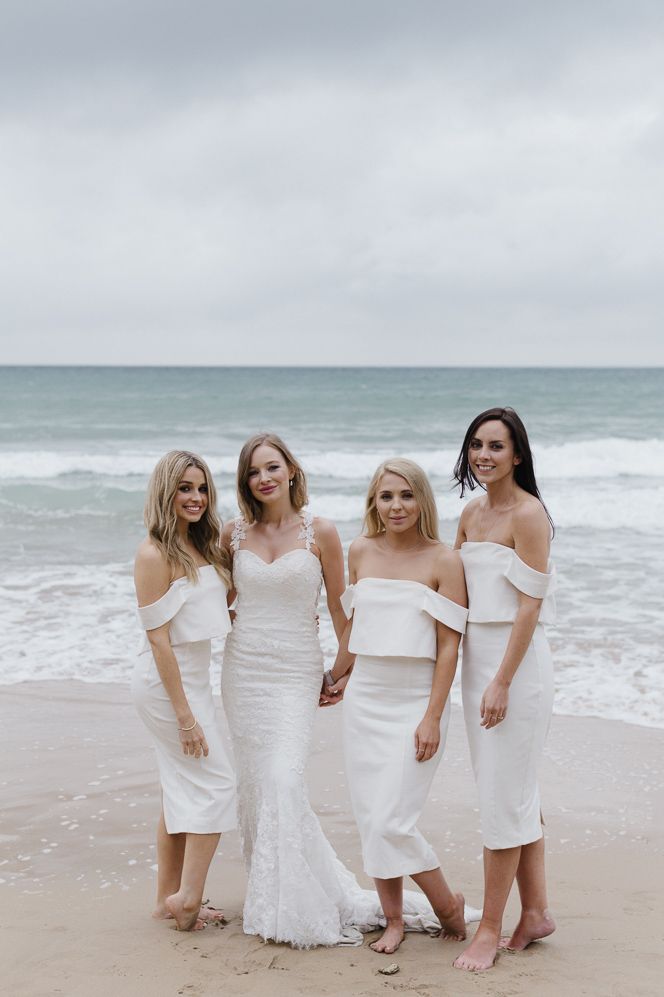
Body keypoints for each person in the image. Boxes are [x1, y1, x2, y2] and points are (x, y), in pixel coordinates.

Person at [220, 434, 464, 947]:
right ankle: (278, 893)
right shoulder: (232, 533)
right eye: (253, 472)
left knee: (285, 781)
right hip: (243, 671)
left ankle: (321, 897)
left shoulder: (324, 532)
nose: (263, 478)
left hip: (296, 672)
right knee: (259, 786)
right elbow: (217, 599)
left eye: (272, 467)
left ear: (290, 470)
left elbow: (341, 609)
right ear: (246, 481)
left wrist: (340, 669)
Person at [324, 458, 470, 955]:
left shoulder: (444, 560)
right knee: (372, 818)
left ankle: (446, 905)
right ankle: (393, 919)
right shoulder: (360, 550)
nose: (396, 506)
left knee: (394, 821)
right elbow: (355, 630)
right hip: (365, 698)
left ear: (422, 500)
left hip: (415, 701)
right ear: (374, 502)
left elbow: (450, 646)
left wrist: (432, 716)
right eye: (386, 496)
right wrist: (336, 674)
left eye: (406, 495)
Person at [452, 407, 556, 972]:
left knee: (501, 799)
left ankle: (490, 928)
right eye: (476, 445)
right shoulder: (469, 513)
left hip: (515, 670)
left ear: (518, 455)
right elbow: (453, 594)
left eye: (496, 446)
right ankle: (535, 911)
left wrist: (502, 681)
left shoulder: (529, 514)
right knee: (516, 794)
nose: (484, 455)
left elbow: (530, 606)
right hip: (475, 667)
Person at [131, 451, 236, 931]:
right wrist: (186, 717)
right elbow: (158, 640)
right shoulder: (154, 554)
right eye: (184, 488)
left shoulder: (204, 545)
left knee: (179, 792)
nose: (195, 498)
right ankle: (188, 901)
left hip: (193, 679)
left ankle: (163, 900)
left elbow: (215, 605)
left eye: (201, 488)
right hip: (166, 686)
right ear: (165, 492)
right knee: (217, 784)